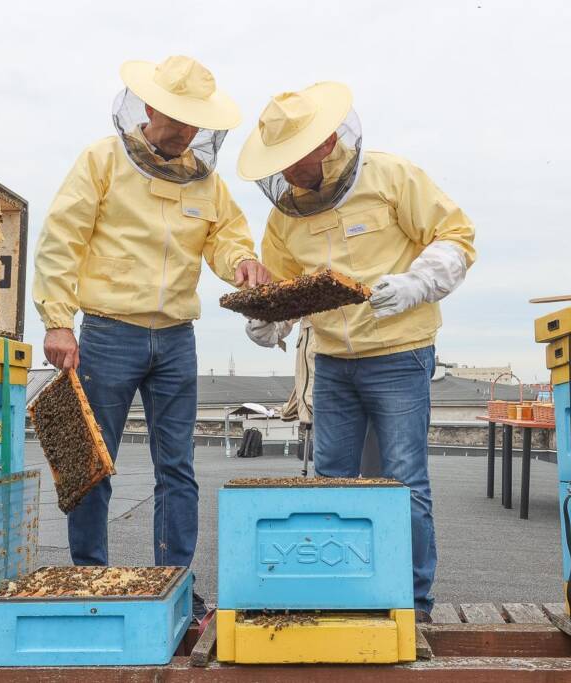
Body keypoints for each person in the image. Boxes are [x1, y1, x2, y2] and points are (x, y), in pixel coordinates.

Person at [32, 56, 270, 620]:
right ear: (153, 107)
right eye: (179, 117)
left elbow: (226, 237)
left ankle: (176, 584)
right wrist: (57, 319)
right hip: (108, 331)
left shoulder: (203, 180)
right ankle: (91, 579)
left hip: (175, 337)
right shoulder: (102, 160)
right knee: (92, 459)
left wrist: (242, 262)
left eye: (196, 121)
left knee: (177, 466)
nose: (187, 131)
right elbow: (61, 237)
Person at [237, 82, 476, 620]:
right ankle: (339, 592)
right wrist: (268, 320)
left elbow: (455, 237)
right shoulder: (285, 215)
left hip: (400, 353)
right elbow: (283, 285)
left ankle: (414, 604)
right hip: (333, 362)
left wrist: (418, 283)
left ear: (326, 143)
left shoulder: (391, 176)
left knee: (404, 481)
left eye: (294, 158)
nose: (289, 172)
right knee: (331, 481)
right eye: (279, 162)